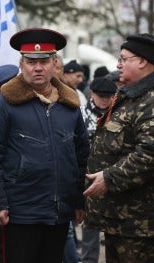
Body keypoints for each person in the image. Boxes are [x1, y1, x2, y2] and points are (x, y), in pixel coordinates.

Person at [0, 28, 90, 263]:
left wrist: (79, 200)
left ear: (55, 63)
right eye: (31, 62)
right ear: (21, 64)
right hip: (19, 214)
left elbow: (80, 155)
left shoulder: (69, 104)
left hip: (59, 214)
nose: (38, 67)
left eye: (44, 61)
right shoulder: (3, 104)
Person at [83, 33, 154, 263]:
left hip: (141, 226)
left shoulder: (150, 100)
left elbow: (149, 154)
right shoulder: (131, 95)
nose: (118, 64)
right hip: (120, 220)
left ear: (142, 61)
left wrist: (109, 178)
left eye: (124, 58)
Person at [80, 76, 117, 263]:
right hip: (88, 177)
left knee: (115, 231)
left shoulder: (118, 113)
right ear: (92, 94)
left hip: (114, 178)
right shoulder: (80, 114)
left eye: (109, 96)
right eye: (101, 96)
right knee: (90, 230)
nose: (105, 99)